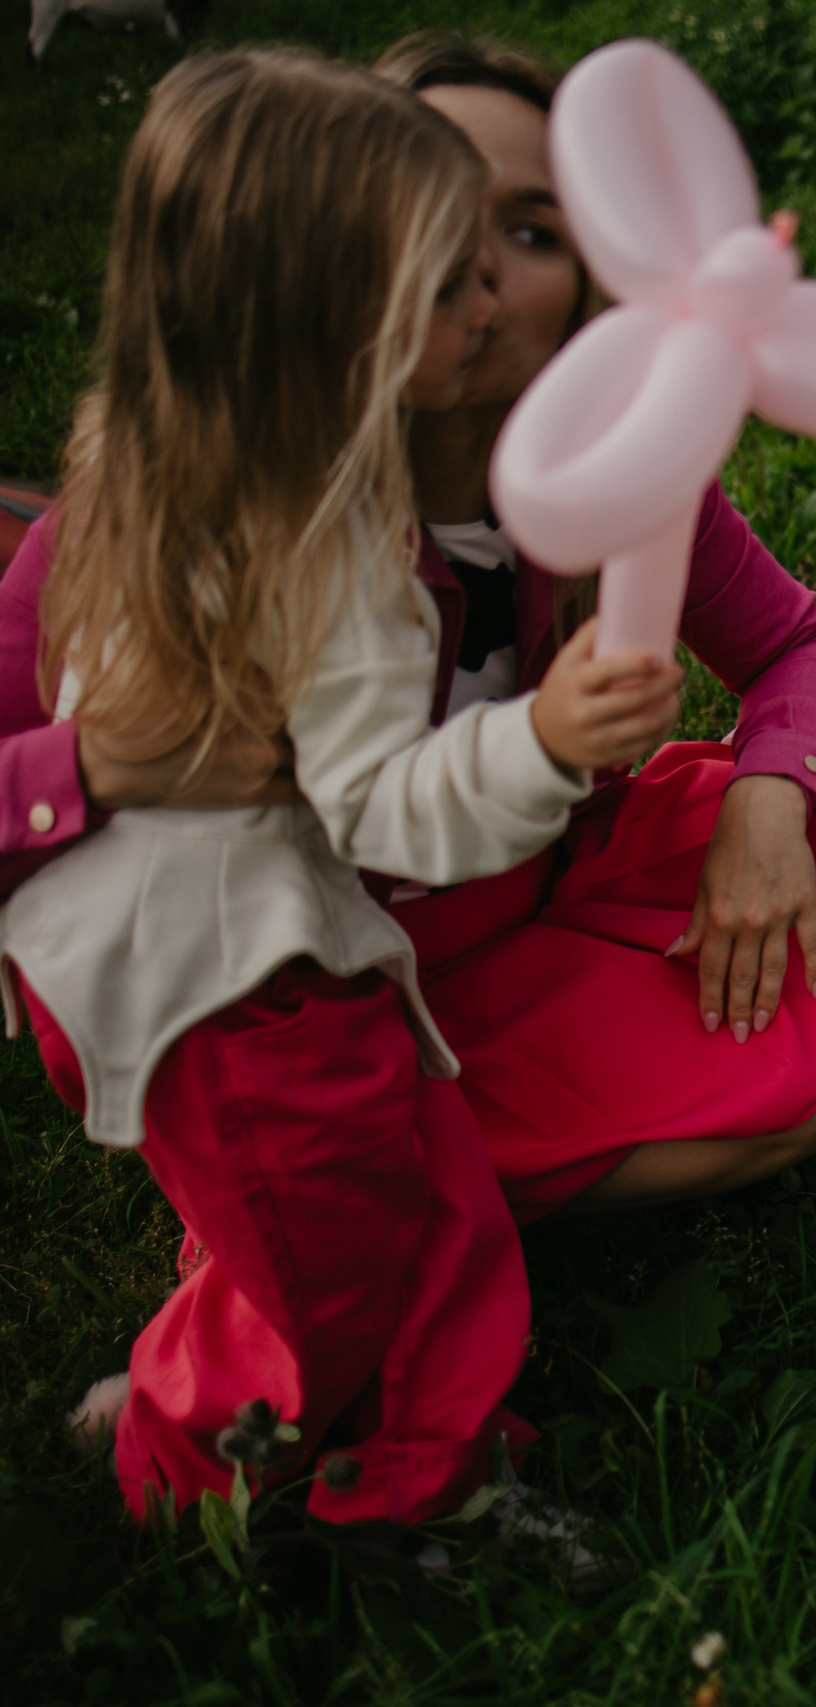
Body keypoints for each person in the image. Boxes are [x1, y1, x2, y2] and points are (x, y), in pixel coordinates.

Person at [0, 33, 816, 1221]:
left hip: (552, 886)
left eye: (531, 229)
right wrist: (94, 765)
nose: (482, 276)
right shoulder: (190, 510)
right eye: (435, 222)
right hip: (323, 978)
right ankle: (337, 1190)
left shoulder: (626, 463)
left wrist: (768, 801)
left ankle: (415, 1174)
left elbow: (800, 647)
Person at [8, 49, 681, 1527]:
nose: (488, 304)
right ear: (321, 313)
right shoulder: (330, 549)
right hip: (222, 982)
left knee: (437, 1225)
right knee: (329, 1263)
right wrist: (548, 740)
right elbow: (386, 804)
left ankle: (432, 1469)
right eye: (445, 283)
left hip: (292, 942)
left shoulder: (195, 467)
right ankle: (187, 1473)